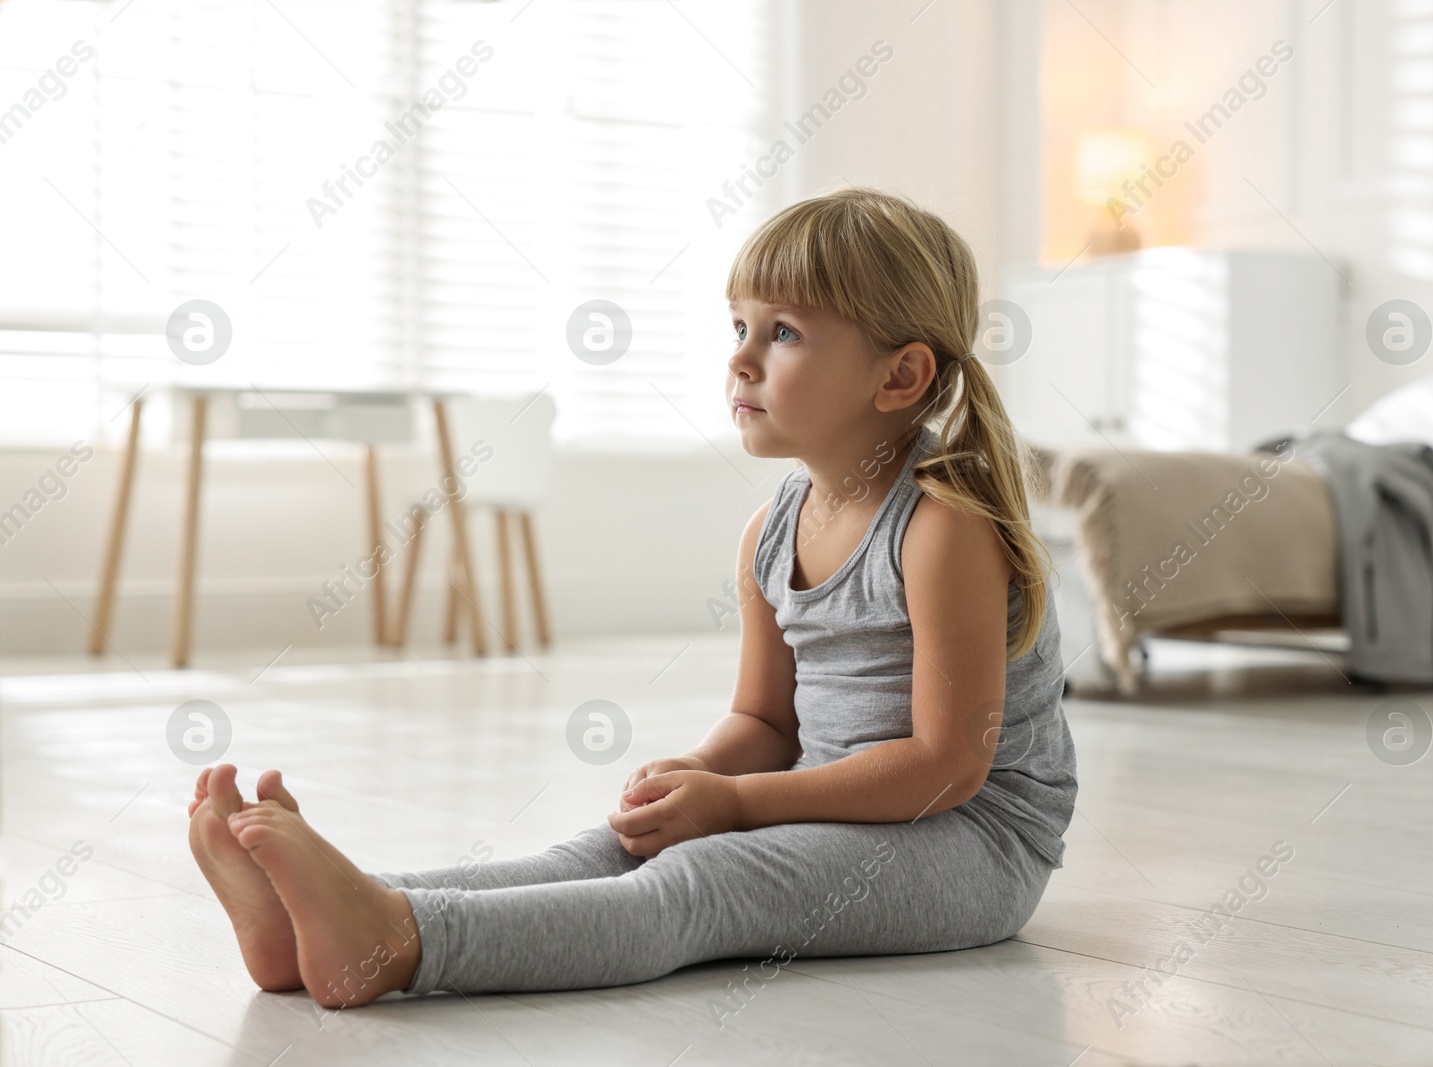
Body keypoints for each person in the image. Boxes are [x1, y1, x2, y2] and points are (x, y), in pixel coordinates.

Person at [187, 186, 1078, 1008]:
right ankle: (345, 911)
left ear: (900, 377)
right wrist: (693, 775)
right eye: (738, 324)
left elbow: (945, 766)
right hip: (835, 800)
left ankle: (399, 942)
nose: (740, 358)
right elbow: (767, 724)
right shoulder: (771, 530)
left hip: (974, 841)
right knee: (609, 847)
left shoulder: (943, 525)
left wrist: (734, 806)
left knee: (704, 883)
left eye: (784, 333)